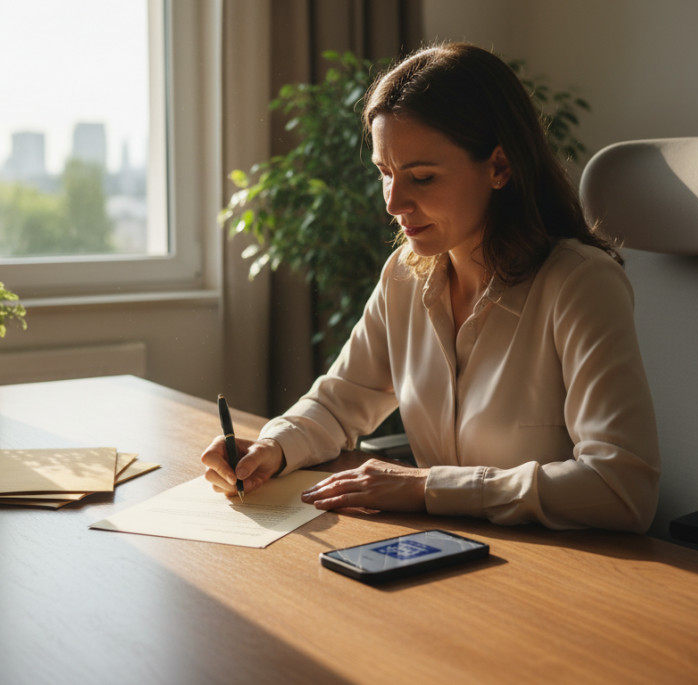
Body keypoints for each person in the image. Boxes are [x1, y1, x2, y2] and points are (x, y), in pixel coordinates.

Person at [201, 42, 659, 532]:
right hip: (451, 549)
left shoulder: (579, 284)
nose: (394, 203)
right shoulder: (405, 274)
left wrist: (425, 488)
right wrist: (275, 446)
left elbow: (620, 488)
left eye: (421, 177)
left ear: (499, 168)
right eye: (385, 173)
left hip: (567, 570)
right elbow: (338, 403)